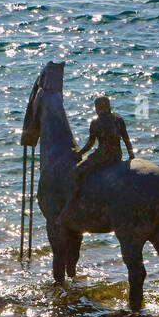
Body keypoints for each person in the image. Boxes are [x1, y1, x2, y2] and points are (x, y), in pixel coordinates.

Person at [56, 95, 134, 225]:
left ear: (98, 108)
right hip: (117, 155)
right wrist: (131, 156)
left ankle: (69, 206)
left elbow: (90, 144)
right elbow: (126, 139)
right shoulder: (118, 119)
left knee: (76, 172)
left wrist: (79, 153)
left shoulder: (96, 123)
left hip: (103, 156)